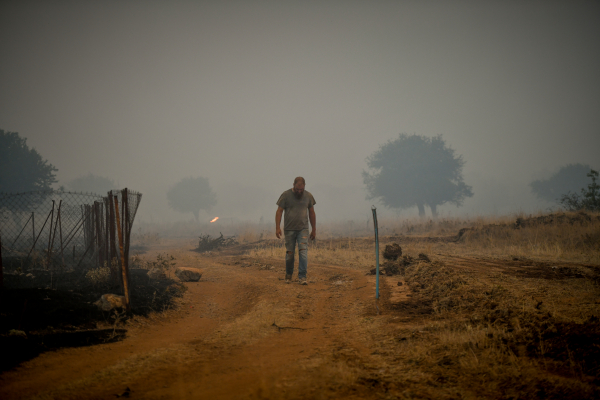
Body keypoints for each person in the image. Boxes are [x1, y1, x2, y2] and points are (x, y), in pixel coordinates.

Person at [275, 177, 316, 285]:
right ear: (293, 185)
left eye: (301, 189)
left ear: (304, 186)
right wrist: (277, 227)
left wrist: (314, 229)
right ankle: (288, 275)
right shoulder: (285, 195)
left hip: (303, 229)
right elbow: (279, 211)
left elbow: (312, 213)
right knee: (290, 253)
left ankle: (302, 277)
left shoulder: (308, 196)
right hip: (289, 230)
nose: (299, 191)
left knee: (303, 252)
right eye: (297, 189)